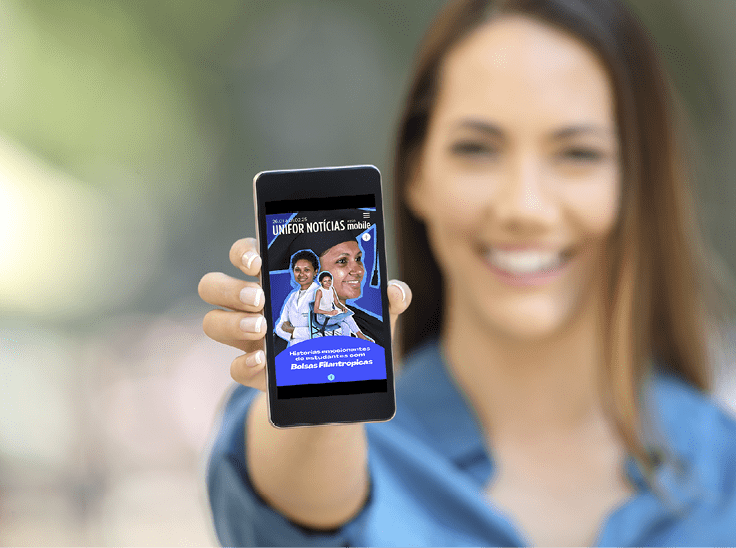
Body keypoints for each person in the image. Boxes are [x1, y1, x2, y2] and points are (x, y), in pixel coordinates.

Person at [198, 0, 736, 545]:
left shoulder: (723, 466)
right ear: (415, 173)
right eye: (477, 149)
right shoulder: (340, 440)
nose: (524, 206)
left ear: (636, 181)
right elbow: (299, 496)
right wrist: (313, 376)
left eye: (578, 153)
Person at [273, 250, 320, 347]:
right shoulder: (293, 296)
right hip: (294, 351)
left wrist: (292, 330)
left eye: (306, 270)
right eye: (297, 270)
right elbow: (279, 327)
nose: (301, 274)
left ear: (315, 272)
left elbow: (321, 332)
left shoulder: (321, 294)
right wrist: (303, 332)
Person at [314, 271, 372, 340]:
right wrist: (329, 312)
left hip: (332, 316)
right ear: (321, 282)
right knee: (347, 317)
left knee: (345, 325)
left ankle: (346, 343)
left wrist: (343, 307)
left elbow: (337, 303)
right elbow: (315, 309)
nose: (328, 283)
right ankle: (360, 335)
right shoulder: (319, 291)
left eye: (329, 280)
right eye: (325, 281)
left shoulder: (331, 289)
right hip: (323, 318)